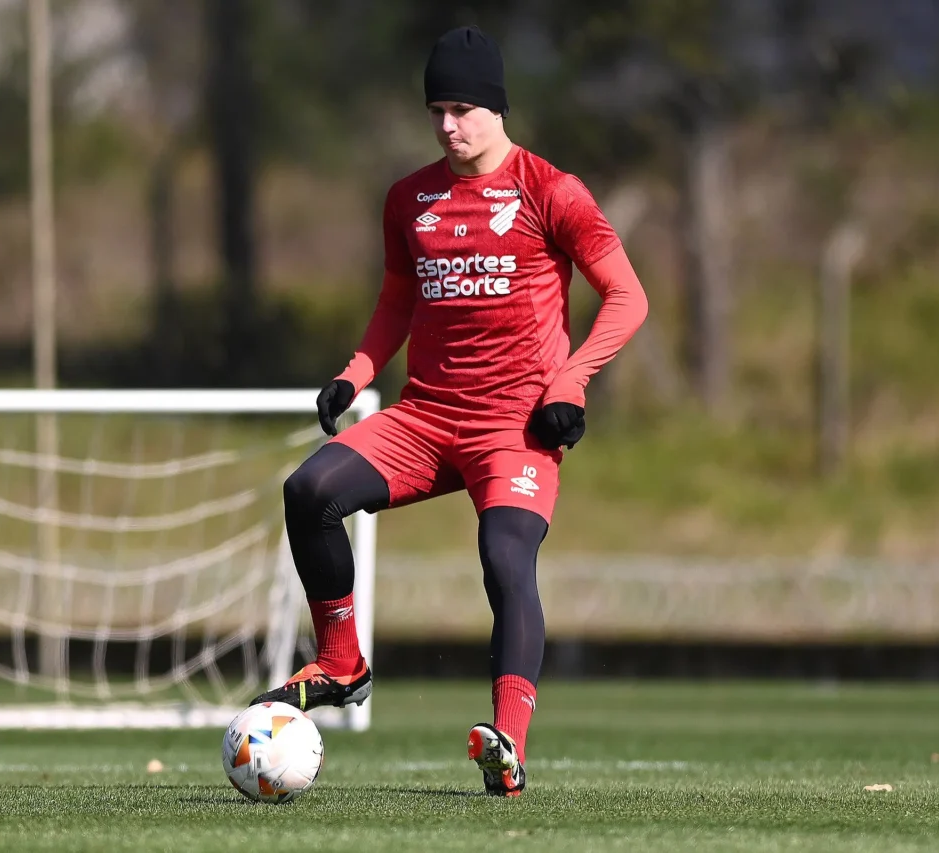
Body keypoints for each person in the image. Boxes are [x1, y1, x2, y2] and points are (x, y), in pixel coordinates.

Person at [250, 25, 649, 797]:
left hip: (516, 425)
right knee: (309, 491)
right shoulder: (410, 197)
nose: (446, 125)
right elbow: (398, 297)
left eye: (461, 108)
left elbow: (627, 297)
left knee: (505, 558)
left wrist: (571, 380)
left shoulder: (552, 191)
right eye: (436, 109)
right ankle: (341, 662)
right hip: (426, 416)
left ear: (497, 108)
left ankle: (508, 741)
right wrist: (357, 368)